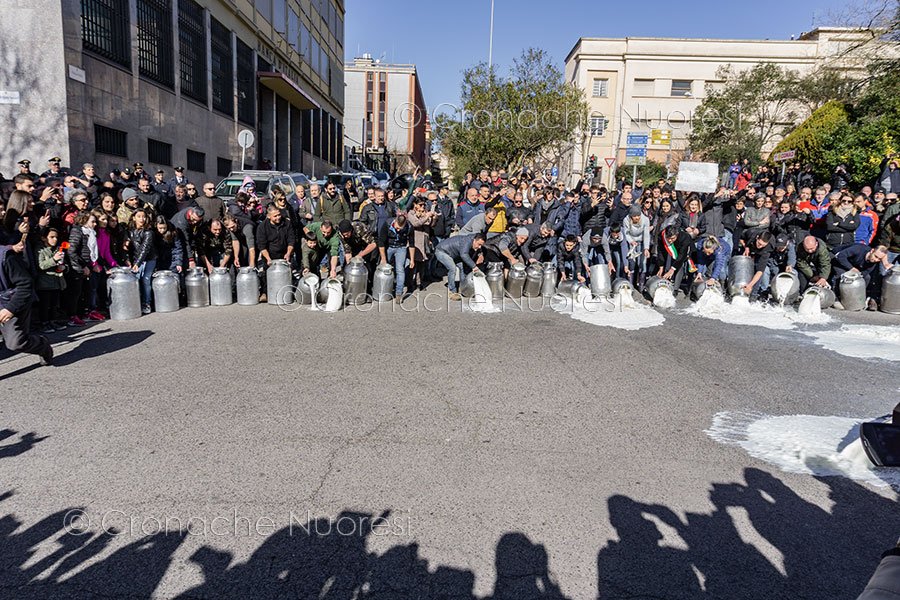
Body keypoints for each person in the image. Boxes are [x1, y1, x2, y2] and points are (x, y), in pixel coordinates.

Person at [0, 243, 53, 365]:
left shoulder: (6, 257)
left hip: (10, 301)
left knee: (16, 343)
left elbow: (25, 285)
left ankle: (42, 345)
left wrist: (10, 309)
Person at [833, 244, 892, 310]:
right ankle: (835, 298)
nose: (876, 260)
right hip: (839, 260)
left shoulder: (874, 262)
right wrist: (851, 268)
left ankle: (856, 298)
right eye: (876, 256)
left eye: (879, 259)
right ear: (872, 251)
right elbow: (840, 256)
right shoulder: (859, 249)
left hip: (854, 266)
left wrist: (857, 275)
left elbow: (865, 273)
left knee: (867, 278)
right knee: (840, 275)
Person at [434, 233, 485, 300]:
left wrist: (480, 254)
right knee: (452, 269)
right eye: (479, 244)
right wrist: (474, 266)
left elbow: (471, 252)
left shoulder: (473, 240)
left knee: (462, 267)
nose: (479, 247)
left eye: (481, 245)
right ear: (474, 240)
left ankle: (463, 288)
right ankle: (452, 292)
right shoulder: (466, 242)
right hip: (442, 251)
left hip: (452, 253)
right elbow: (464, 255)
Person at [35, 228, 67, 332]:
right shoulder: (40, 250)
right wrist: (54, 260)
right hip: (44, 282)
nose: (55, 239)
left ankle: (53, 321)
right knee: (45, 304)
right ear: (44, 238)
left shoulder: (58, 249)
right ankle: (44, 323)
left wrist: (64, 267)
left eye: (56, 237)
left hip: (57, 280)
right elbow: (41, 265)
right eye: (52, 237)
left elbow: (64, 263)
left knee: (54, 304)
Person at [127, 209, 157, 314]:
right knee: (135, 279)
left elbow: (145, 248)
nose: (142, 219)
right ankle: (135, 303)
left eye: (143, 216)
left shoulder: (148, 232)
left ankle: (147, 303)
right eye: (139, 216)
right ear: (134, 218)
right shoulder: (129, 231)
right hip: (136, 260)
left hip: (149, 259)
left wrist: (137, 263)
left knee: (146, 279)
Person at [377, 213, 412, 302]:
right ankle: (384, 290)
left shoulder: (409, 227)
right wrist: (383, 258)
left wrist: (412, 259)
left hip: (401, 247)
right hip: (389, 246)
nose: (398, 230)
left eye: (400, 229)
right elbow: (381, 242)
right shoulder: (387, 224)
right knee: (385, 268)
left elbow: (412, 244)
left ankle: (399, 293)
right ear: (395, 221)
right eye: (396, 227)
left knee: (400, 270)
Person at [741, 231, 774, 299]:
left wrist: (750, 285)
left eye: (763, 245)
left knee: (758, 271)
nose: (760, 246)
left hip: (761, 254)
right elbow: (741, 237)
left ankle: (753, 296)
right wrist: (746, 247)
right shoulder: (752, 234)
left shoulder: (768, 248)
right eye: (759, 243)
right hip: (749, 244)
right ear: (757, 238)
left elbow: (760, 271)